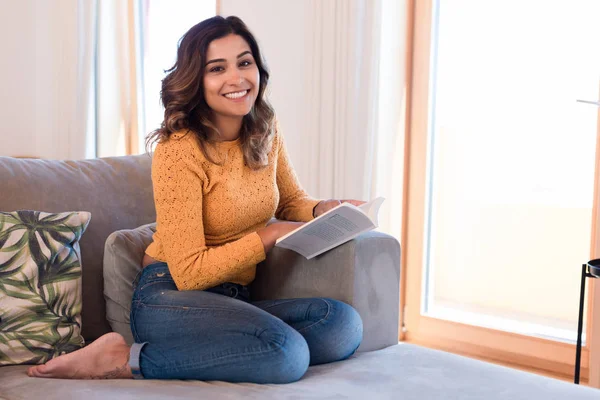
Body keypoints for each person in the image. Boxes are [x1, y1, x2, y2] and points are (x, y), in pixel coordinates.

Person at [27, 15, 364, 383]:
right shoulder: (179, 151)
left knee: (341, 324)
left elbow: (289, 200)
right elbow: (189, 273)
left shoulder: (266, 127)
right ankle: (123, 358)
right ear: (196, 80)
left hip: (234, 298)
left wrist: (320, 209)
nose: (237, 79)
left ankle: (243, 349)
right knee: (286, 354)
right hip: (170, 296)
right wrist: (269, 235)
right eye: (217, 68)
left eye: (245, 62)